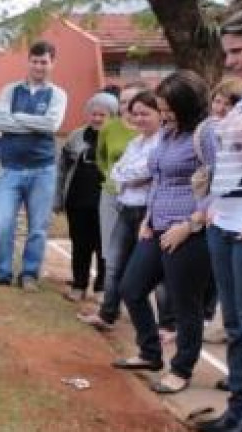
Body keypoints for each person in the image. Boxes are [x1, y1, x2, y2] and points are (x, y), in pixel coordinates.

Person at [111, 70, 210, 395]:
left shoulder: (205, 134)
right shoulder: (168, 133)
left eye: (168, 108)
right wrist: (148, 218)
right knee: (131, 288)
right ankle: (150, 353)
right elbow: (158, 178)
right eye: (162, 107)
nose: (164, 114)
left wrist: (190, 225)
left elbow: (219, 185)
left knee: (185, 305)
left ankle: (181, 369)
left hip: (189, 232)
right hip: (156, 226)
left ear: (187, 105)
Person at [194, 6, 242, 432]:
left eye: (238, 51)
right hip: (226, 222)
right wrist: (215, 206)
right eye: (227, 52)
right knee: (235, 328)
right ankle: (236, 410)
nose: (230, 61)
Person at [77, 90, 165, 331]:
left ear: (160, 114)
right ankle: (108, 313)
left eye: (145, 114)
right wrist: (128, 175)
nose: (139, 119)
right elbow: (117, 171)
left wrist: (129, 174)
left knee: (155, 271)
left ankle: (166, 323)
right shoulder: (136, 143)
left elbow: (145, 171)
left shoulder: (164, 142)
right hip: (127, 208)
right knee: (114, 263)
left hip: (150, 212)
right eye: (135, 114)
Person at [0, 40, 68, 291]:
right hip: (9, 169)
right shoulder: (10, 91)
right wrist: (35, 123)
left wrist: (18, 118)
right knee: (4, 223)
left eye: (44, 62)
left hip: (42, 170)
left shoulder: (57, 94)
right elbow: (0, 122)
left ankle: (29, 274)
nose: (39, 66)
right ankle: (2, 272)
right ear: (29, 62)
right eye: (35, 61)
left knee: (38, 228)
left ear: (52, 63)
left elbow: (52, 125)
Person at [194, 76, 242, 346]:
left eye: (227, 104)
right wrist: (211, 206)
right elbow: (215, 172)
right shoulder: (210, 130)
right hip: (219, 218)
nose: (219, 108)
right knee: (232, 311)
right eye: (216, 101)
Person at [55, 92, 117, 301]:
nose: (97, 118)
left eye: (102, 115)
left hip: (107, 202)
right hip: (78, 199)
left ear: (113, 115)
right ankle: (79, 284)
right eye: (93, 114)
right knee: (80, 244)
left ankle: (101, 288)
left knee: (104, 246)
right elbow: (62, 168)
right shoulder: (76, 136)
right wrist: (58, 197)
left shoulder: (120, 138)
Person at [97, 82, 148, 301]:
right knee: (112, 253)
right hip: (112, 193)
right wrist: (111, 177)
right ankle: (110, 305)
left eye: (132, 101)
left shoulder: (152, 131)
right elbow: (102, 157)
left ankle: (134, 300)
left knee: (139, 255)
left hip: (141, 200)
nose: (127, 106)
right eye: (123, 102)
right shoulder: (110, 127)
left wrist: (129, 177)